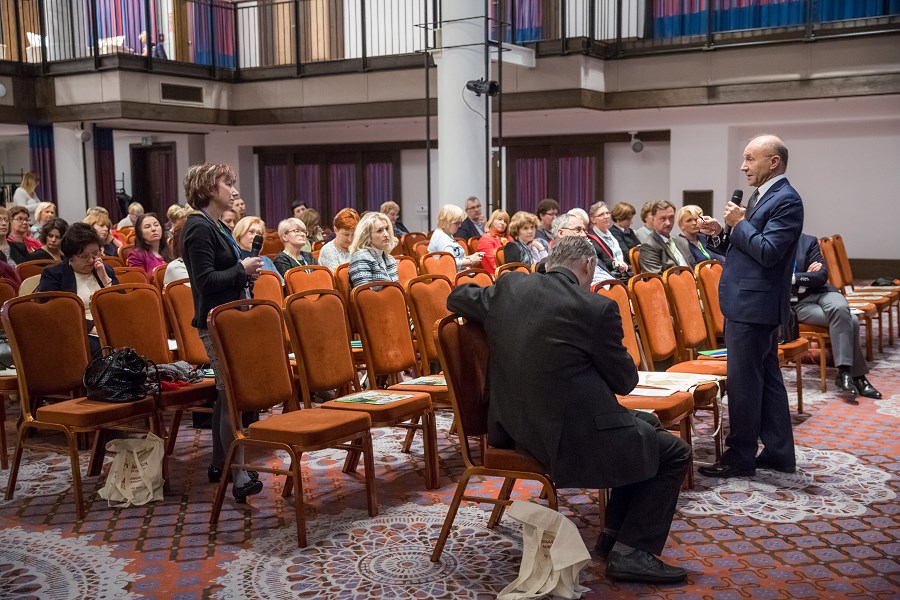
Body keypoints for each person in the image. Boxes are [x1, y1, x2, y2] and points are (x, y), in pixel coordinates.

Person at [447, 235, 692, 584]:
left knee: (647, 426)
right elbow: (624, 381)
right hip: (565, 436)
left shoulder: (510, 287)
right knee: (675, 452)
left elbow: (457, 296)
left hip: (512, 425)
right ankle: (632, 553)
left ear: (548, 262)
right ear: (589, 265)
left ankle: (614, 537)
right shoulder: (594, 308)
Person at [698, 134, 804, 478]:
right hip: (749, 303)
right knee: (768, 380)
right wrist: (719, 233)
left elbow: (769, 253)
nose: (743, 166)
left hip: (753, 306)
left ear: (773, 162)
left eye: (749, 158)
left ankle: (740, 457)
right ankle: (779, 452)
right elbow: (744, 249)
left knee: (743, 384)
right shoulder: (764, 196)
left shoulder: (786, 200)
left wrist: (739, 224)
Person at [182, 163, 263, 502]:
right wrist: (240, 269)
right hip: (216, 323)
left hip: (229, 319)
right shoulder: (198, 227)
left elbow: (223, 271)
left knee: (225, 394)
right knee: (232, 395)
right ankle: (239, 473)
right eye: (227, 183)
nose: (233, 189)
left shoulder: (213, 224)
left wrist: (244, 269)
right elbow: (204, 282)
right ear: (207, 188)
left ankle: (220, 462)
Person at [792, 233, 881, 399]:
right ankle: (856, 376)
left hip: (822, 292)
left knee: (841, 307)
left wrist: (796, 278)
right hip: (797, 304)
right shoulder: (773, 243)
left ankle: (845, 372)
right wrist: (804, 276)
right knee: (851, 320)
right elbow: (777, 280)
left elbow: (822, 275)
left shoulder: (808, 241)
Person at [37, 222, 119, 353]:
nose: (91, 260)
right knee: (101, 347)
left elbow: (122, 305)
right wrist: (90, 327)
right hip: (76, 330)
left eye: (95, 253)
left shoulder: (105, 270)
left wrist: (105, 280)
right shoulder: (54, 274)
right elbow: (53, 312)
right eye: (84, 256)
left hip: (110, 325)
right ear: (70, 256)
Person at [639, 200, 695, 275]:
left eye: (671, 217)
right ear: (653, 219)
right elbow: (656, 278)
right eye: (663, 218)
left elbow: (693, 267)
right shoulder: (648, 246)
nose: (668, 223)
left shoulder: (682, 241)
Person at [348, 211, 398, 288]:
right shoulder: (360, 257)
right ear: (367, 235)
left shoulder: (390, 259)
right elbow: (364, 293)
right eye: (379, 231)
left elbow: (396, 289)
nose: (386, 234)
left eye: (387, 229)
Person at [427, 204, 484, 271]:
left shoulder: (446, 233)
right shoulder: (441, 238)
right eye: (457, 223)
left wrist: (470, 257)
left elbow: (455, 257)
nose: (460, 226)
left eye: (460, 222)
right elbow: (450, 262)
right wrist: (470, 261)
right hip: (450, 275)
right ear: (447, 222)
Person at [232, 216, 283, 283]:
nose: (256, 236)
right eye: (251, 232)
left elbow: (281, 285)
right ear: (240, 234)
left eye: (259, 233)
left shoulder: (266, 260)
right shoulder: (233, 260)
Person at [587, 202, 631, 279]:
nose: (606, 217)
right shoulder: (591, 238)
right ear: (593, 219)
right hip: (608, 277)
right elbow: (602, 261)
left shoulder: (611, 235)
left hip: (622, 273)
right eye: (601, 214)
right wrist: (615, 264)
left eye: (607, 213)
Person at [128, 213, 173, 279]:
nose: (153, 229)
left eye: (156, 225)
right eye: (147, 227)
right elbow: (141, 281)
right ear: (140, 233)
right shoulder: (136, 255)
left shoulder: (170, 249)